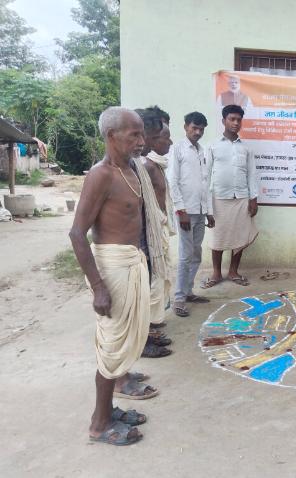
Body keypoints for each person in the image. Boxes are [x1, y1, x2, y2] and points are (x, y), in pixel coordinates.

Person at [69, 107, 157, 446]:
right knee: (111, 350)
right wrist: (98, 287)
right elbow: (77, 234)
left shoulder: (132, 171)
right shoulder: (101, 175)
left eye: (142, 133)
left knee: (121, 346)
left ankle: (110, 409)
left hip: (131, 264)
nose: (141, 140)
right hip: (113, 270)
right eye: (134, 134)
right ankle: (99, 423)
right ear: (111, 136)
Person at [201, 104, 258, 288]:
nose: (235, 123)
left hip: (241, 198)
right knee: (218, 236)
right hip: (218, 199)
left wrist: (253, 199)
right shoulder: (212, 146)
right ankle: (216, 273)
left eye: (238, 120)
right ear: (223, 121)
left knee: (239, 237)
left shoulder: (246, 149)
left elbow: (251, 174)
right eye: (232, 119)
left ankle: (233, 271)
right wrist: (206, 204)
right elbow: (206, 175)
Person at [133, 108, 174, 358]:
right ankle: (142, 340)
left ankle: (148, 334)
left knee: (152, 285)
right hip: (138, 240)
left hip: (150, 235)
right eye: (163, 136)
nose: (169, 142)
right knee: (142, 292)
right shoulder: (136, 166)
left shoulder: (146, 164)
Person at [168, 111, 214, 318]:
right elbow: (172, 181)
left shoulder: (202, 151)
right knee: (186, 255)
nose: (198, 132)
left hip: (200, 211)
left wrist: (209, 212)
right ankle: (179, 298)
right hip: (185, 212)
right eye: (194, 128)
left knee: (196, 254)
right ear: (186, 126)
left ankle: (188, 292)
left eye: (201, 129)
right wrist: (181, 210)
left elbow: (205, 184)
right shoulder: (177, 149)